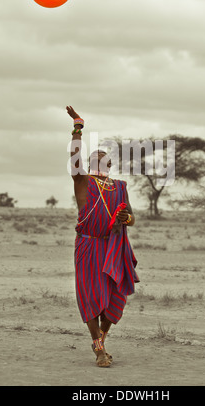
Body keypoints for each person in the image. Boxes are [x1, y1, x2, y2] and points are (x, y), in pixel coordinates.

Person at [66, 105, 139, 368]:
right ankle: (99, 349)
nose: (98, 156)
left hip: (113, 247)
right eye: (94, 155)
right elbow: (75, 156)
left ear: (109, 164)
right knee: (90, 297)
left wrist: (125, 219)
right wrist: (78, 127)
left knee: (113, 299)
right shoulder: (83, 181)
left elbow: (131, 217)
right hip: (87, 246)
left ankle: (101, 339)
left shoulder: (120, 187)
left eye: (103, 156)